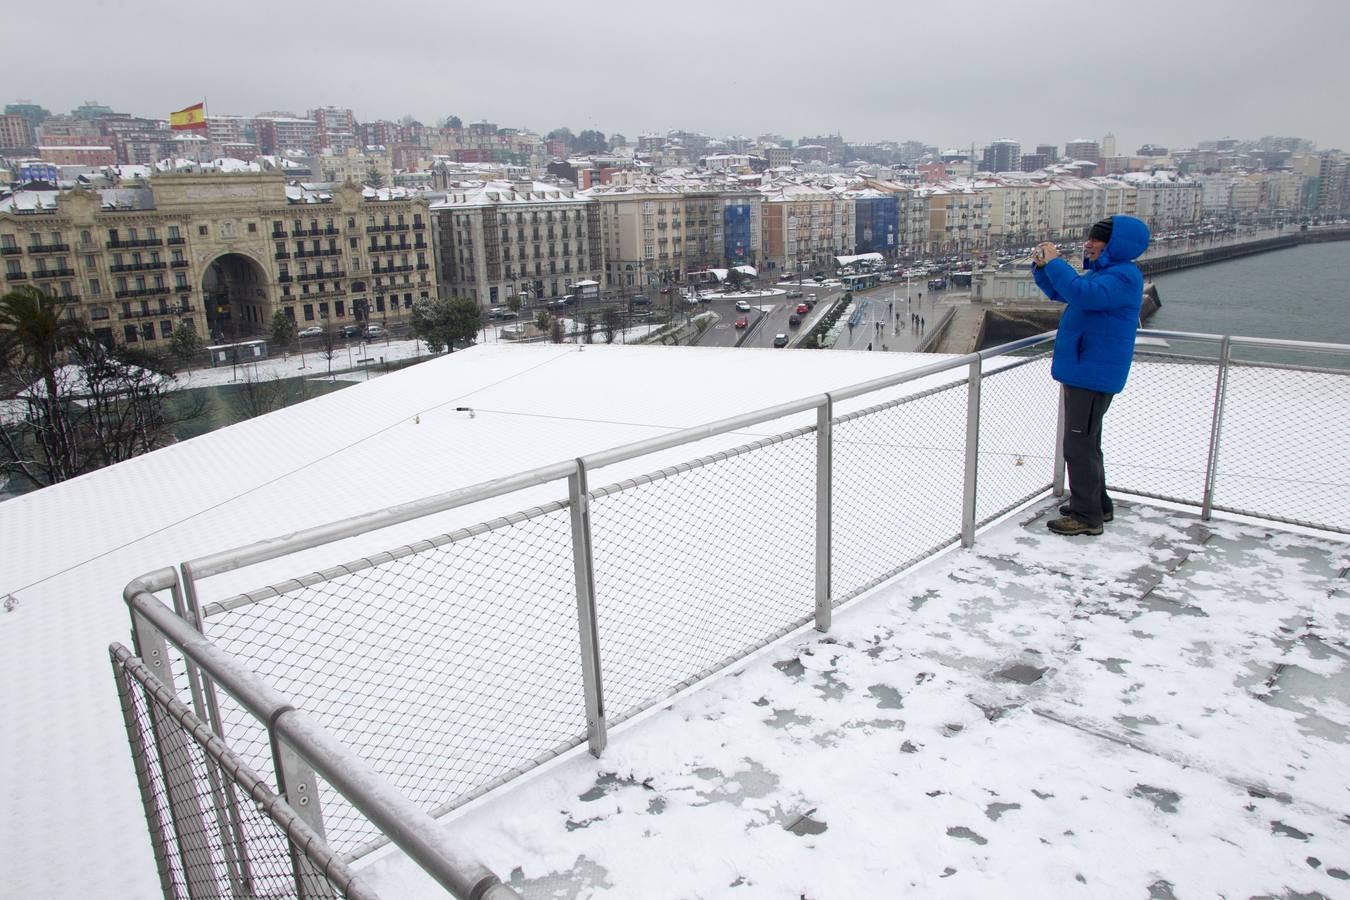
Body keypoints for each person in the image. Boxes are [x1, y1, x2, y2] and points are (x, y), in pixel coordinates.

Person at [1032, 215, 1151, 536]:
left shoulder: (1122, 277)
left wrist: (1057, 263)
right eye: (1091, 237)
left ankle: (1087, 516)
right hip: (1088, 367)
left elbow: (1082, 294)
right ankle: (1098, 504)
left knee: (1078, 444)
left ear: (1117, 245)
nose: (1089, 243)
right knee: (1088, 441)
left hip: (1092, 370)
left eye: (1097, 239)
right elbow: (1065, 293)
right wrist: (1043, 268)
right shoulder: (1108, 274)